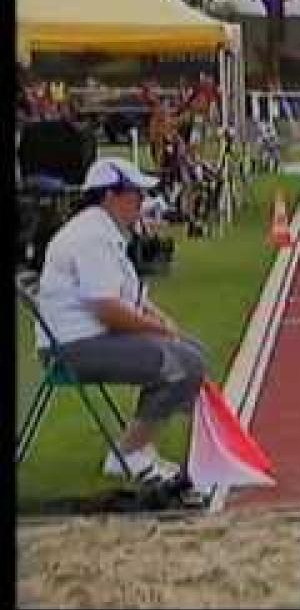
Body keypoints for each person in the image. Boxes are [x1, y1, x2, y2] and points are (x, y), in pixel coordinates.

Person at [35, 157, 211, 482]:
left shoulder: (107, 233)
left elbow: (134, 299)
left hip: (91, 339)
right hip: (74, 348)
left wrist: (167, 325)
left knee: (193, 351)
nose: (141, 203)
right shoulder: (91, 237)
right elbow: (109, 311)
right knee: (183, 363)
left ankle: (139, 448)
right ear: (109, 196)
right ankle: (129, 453)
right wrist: (161, 331)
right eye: (135, 195)